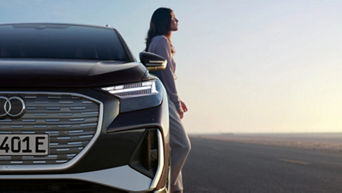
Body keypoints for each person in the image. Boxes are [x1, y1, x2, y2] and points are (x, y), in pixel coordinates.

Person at [145, 7, 191, 193]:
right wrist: (176, 101)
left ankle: (176, 189)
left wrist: (178, 99)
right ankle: (166, 185)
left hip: (163, 98)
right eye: (173, 18)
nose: (177, 20)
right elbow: (166, 75)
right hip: (165, 100)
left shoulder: (157, 42)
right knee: (183, 145)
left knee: (172, 149)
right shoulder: (161, 41)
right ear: (166, 21)